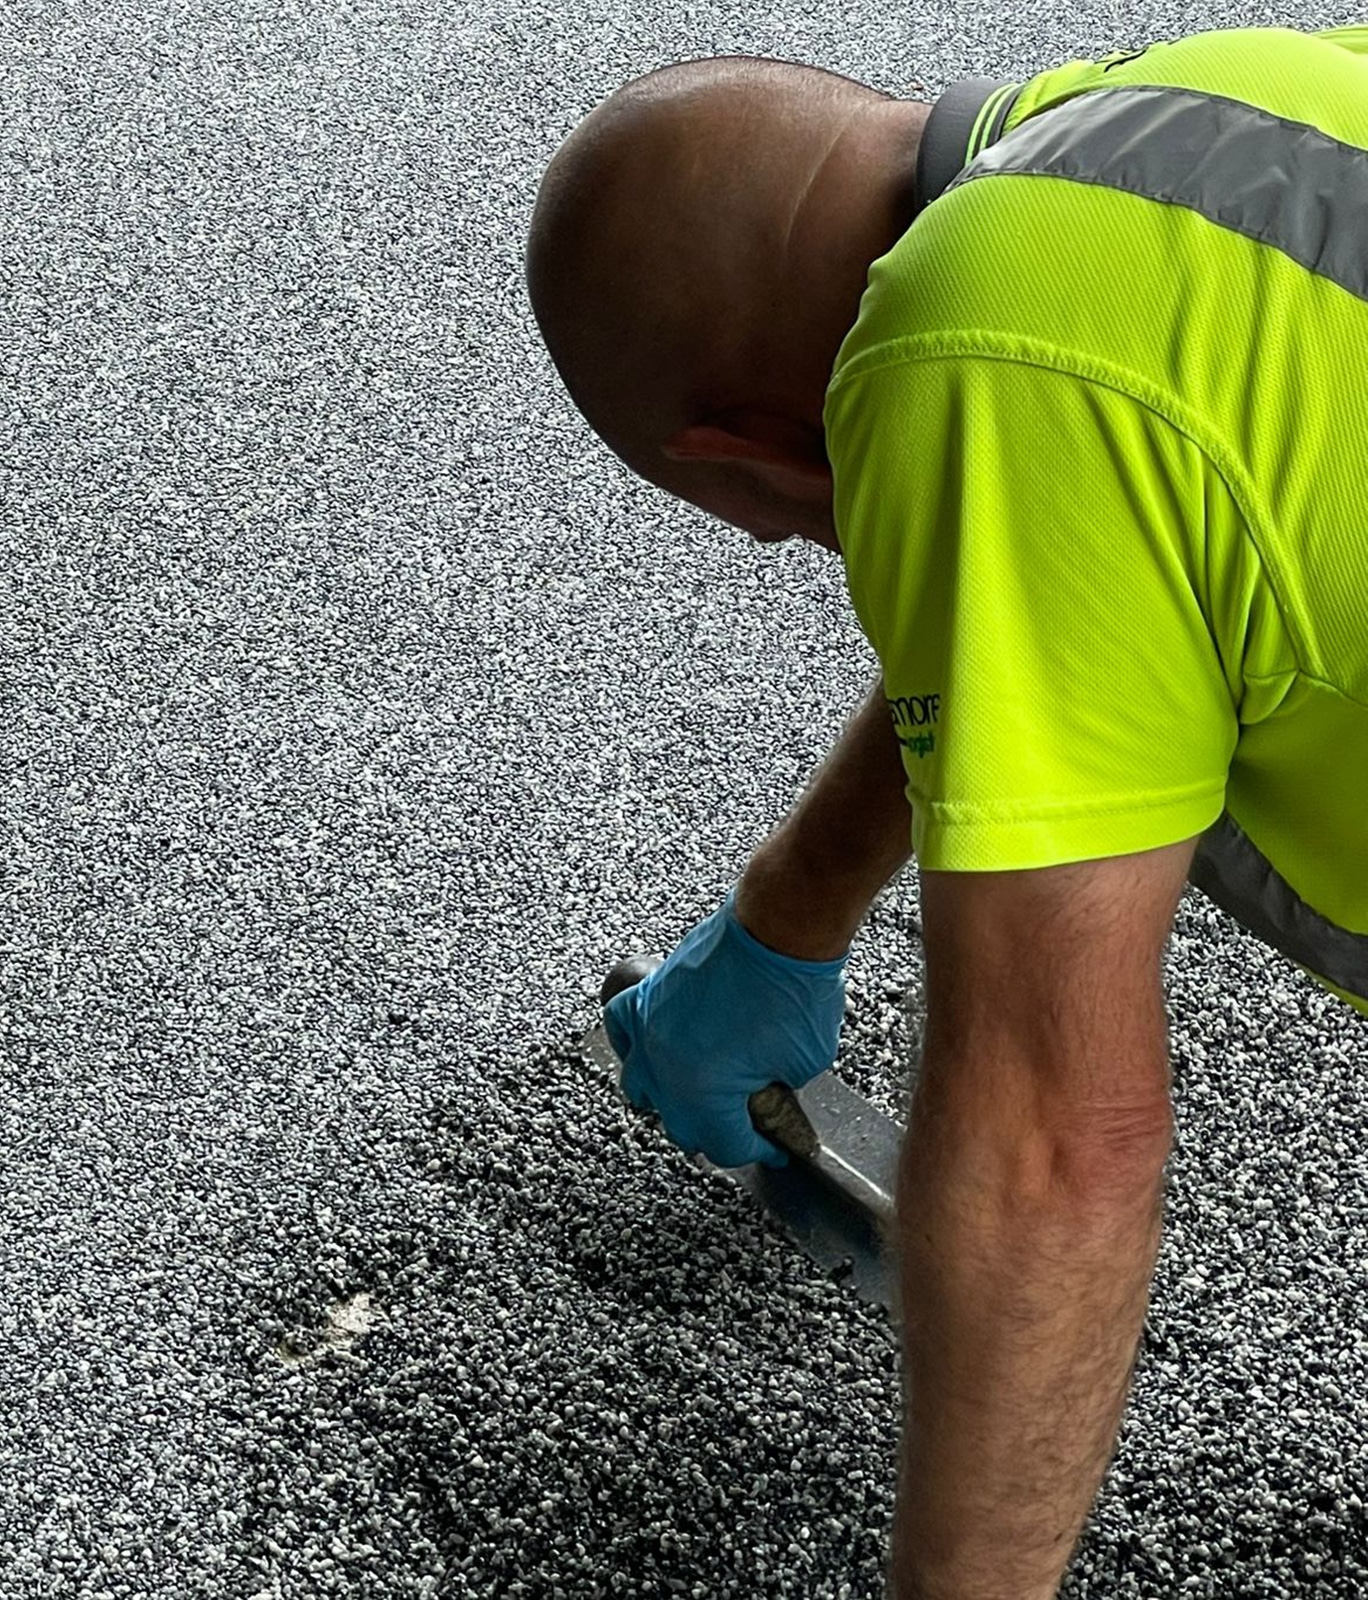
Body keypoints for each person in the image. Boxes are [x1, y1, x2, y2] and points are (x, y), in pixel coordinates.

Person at [523, 25, 1368, 1600]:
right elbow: (1044, 620)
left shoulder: (962, 346)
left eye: (778, 530)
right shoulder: (1187, 127)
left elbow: (1057, 1142)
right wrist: (786, 919)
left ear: (736, 463)